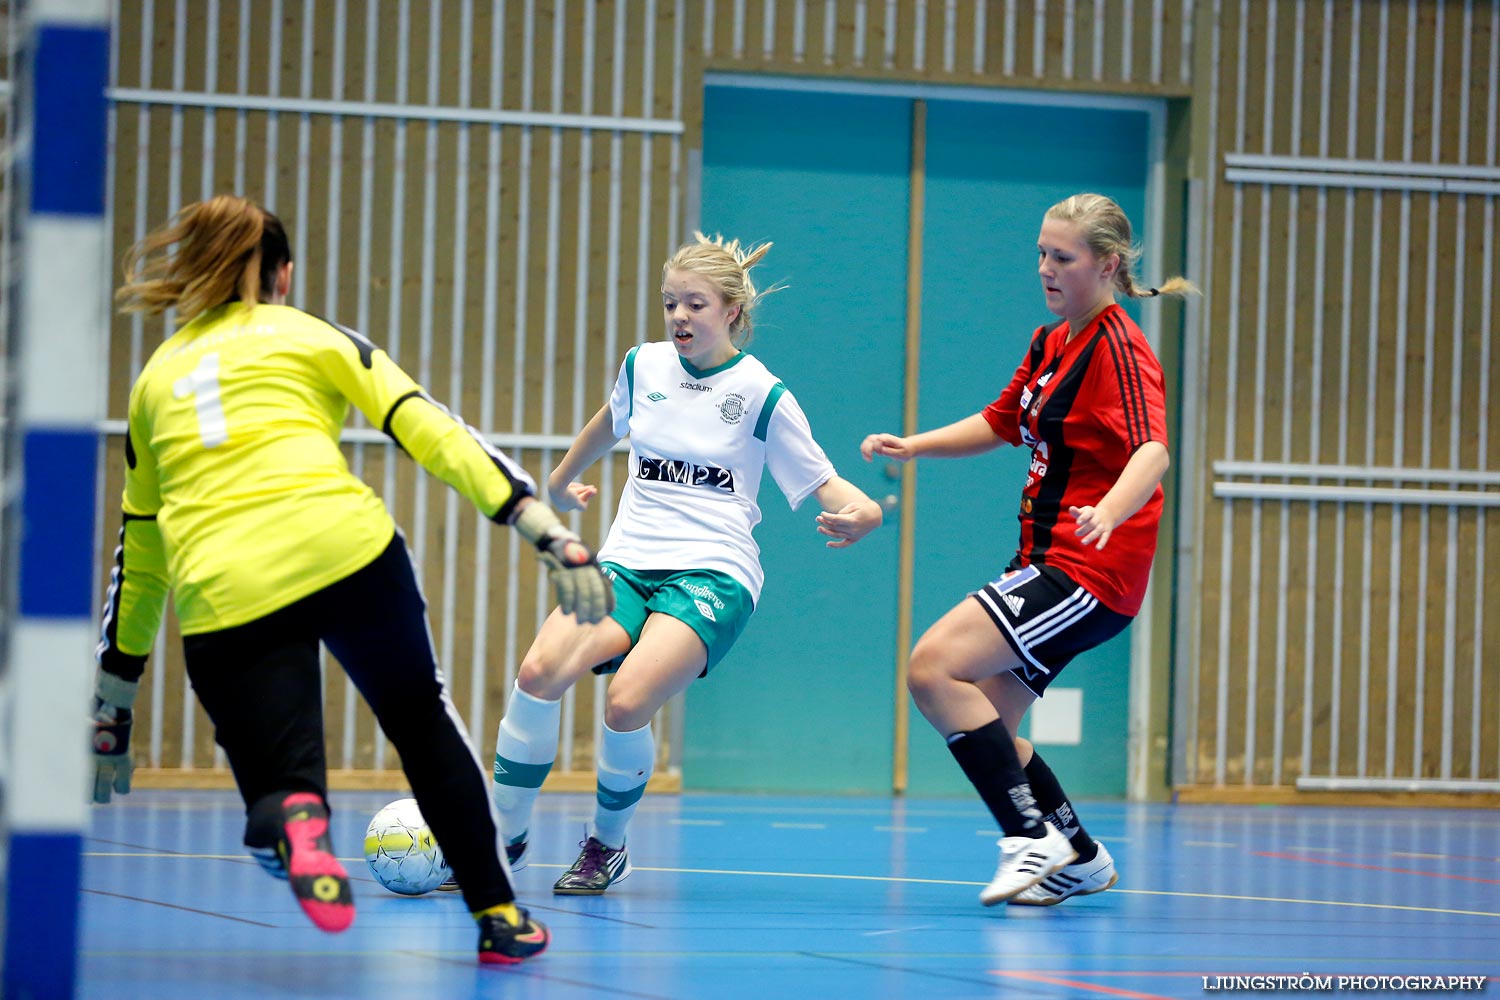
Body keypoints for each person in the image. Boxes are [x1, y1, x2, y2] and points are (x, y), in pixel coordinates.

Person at [89, 194, 613, 964]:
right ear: (285, 275)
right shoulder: (315, 335)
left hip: (225, 579)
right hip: (346, 549)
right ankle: (500, 916)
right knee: (421, 720)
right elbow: (430, 428)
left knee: (279, 782)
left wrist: (116, 698)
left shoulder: (152, 383)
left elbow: (141, 556)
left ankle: (296, 813)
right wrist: (538, 522)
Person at [485, 232, 883, 895]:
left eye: (694, 304)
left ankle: (605, 847)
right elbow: (606, 425)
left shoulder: (761, 393)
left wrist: (864, 511)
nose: (679, 317)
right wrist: (558, 483)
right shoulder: (643, 367)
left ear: (730, 311)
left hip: (714, 571)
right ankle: (502, 840)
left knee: (626, 699)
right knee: (538, 671)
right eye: (671, 303)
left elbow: (826, 484)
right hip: (630, 561)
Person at [861, 193, 1194, 908]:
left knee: (933, 668)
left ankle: (1027, 837)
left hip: (1089, 567)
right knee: (988, 719)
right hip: (1050, 562)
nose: (1045, 268)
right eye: (1040, 253)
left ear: (1106, 265)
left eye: (1062, 257)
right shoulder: (1052, 342)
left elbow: (1154, 450)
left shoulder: (1120, 347)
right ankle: (1079, 857)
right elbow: (1001, 421)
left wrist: (1108, 509)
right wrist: (912, 446)